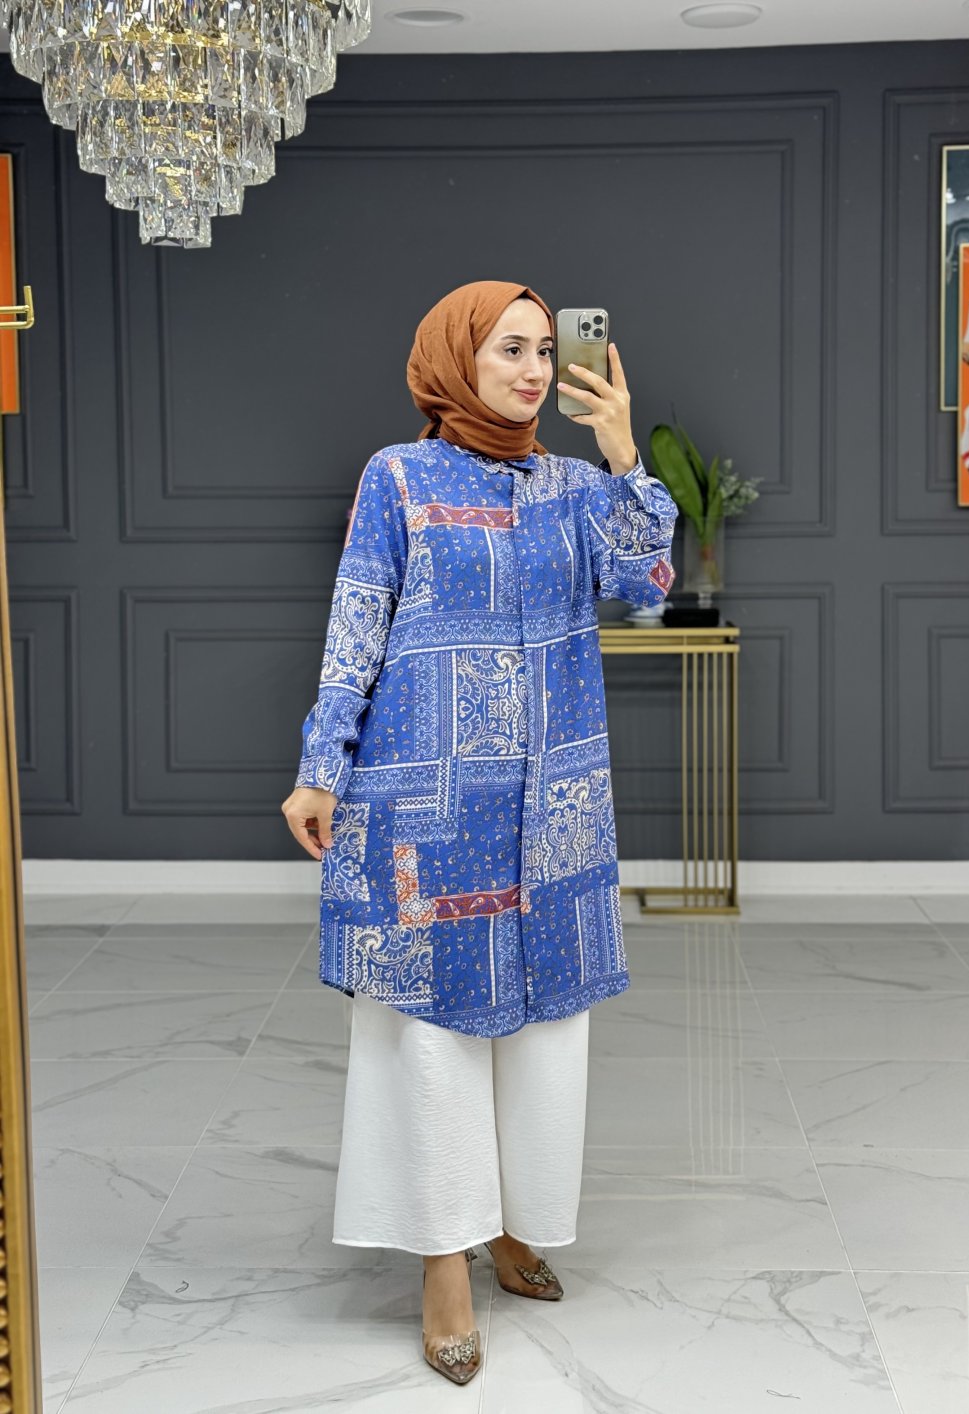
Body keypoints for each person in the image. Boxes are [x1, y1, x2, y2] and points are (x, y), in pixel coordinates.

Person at [281, 280, 678, 1385]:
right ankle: (443, 1262)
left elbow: (646, 579)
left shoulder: (575, 487)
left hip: (552, 808)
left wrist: (620, 451)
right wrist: (320, 767)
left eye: (546, 350)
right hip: (424, 804)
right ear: (457, 356)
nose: (535, 370)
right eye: (510, 349)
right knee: (434, 1035)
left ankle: (513, 1224)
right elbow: (356, 621)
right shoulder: (397, 477)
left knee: (545, 1033)